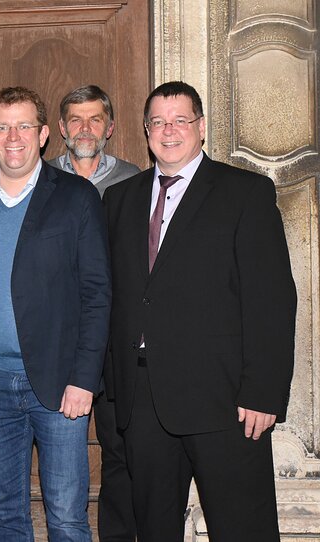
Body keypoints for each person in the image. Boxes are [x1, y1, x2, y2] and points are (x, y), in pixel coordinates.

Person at [103, 81, 296, 542]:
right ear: (146, 130)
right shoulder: (120, 199)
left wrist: (264, 392)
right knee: (153, 530)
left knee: (243, 529)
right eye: (158, 122)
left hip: (224, 402)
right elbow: (115, 295)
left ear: (202, 127)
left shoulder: (245, 193)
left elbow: (271, 300)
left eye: (180, 120)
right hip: (143, 400)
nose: (168, 130)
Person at [0, 87, 111, 541]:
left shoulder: (77, 196)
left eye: (24, 126)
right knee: (6, 516)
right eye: (2, 127)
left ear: (43, 135)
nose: (13, 137)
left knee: (66, 517)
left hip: (60, 385)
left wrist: (84, 379)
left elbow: (97, 294)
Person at [52, 84, 140, 541]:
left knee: (120, 449)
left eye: (95, 119)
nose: (85, 128)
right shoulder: (41, 177)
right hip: (55, 338)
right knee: (52, 454)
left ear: (110, 127)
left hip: (113, 340)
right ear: (61, 128)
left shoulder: (133, 180)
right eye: (76, 119)